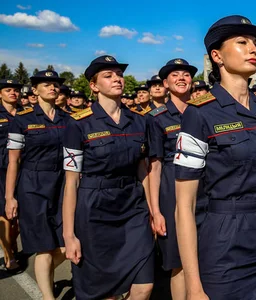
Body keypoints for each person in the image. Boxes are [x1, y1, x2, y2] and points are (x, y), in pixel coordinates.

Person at [174, 15, 256, 300]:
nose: (254, 49)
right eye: (242, 42)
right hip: (224, 247)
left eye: (255, 44)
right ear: (217, 56)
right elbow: (184, 206)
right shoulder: (199, 114)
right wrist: (194, 287)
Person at [62, 55, 154, 300]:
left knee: (144, 287)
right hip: (95, 210)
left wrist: (153, 211)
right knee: (105, 293)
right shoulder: (78, 124)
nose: (117, 79)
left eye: (119, 75)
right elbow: (71, 182)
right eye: (108, 75)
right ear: (93, 86)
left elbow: (143, 170)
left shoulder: (139, 121)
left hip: (133, 207)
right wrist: (69, 235)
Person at [5, 70, 68, 299]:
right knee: (44, 245)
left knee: (66, 243)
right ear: (35, 90)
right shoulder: (22, 120)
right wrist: (10, 196)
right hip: (33, 185)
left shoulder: (69, 119)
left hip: (62, 185)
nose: (53, 87)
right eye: (46, 84)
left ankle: (45, 273)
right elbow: (13, 161)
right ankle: (48, 296)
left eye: (55, 84)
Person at [148, 58, 202, 300]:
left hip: (203, 187)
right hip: (171, 189)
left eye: (186, 74)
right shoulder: (156, 118)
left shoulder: (203, 111)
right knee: (178, 261)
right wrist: (155, 211)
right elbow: (154, 167)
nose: (182, 78)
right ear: (166, 84)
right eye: (175, 75)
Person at [0, 79, 23, 272]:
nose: (13, 93)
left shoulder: (26, 114)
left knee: (20, 218)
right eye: (8, 90)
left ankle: (12, 242)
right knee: (5, 215)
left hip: (24, 170)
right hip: (1, 170)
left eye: (16, 90)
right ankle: (9, 255)